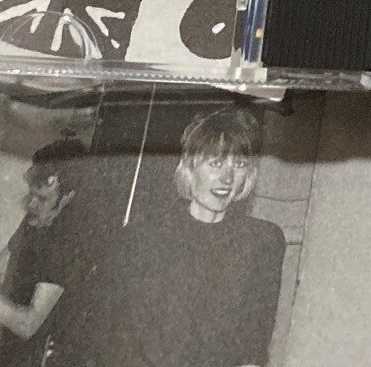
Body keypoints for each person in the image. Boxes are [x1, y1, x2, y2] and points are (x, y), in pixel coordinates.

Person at [88, 106, 286, 367]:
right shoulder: (146, 237)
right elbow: (122, 337)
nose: (228, 178)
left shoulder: (262, 242)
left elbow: (255, 342)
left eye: (239, 165)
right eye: (216, 163)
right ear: (190, 167)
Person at [0, 137, 89, 367]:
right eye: (31, 194)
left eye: (42, 198)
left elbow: (28, 325)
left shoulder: (68, 243)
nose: (31, 204)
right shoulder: (36, 222)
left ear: (68, 197)